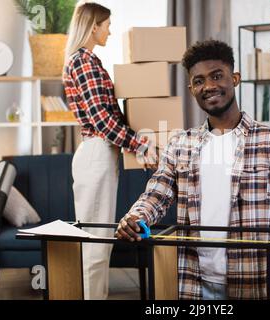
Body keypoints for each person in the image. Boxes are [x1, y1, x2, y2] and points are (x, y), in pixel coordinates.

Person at [115, 40, 270, 300]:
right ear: (191, 88)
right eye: (199, 81)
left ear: (235, 78)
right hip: (192, 281)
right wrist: (136, 218)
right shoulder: (180, 144)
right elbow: (156, 196)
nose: (209, 86)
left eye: (217, 76)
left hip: (251, 280)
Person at [63, 2, 155, 300]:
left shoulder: (86, 61)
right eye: (106, 25)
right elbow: (102, 119)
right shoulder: (84, 62)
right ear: (93, 26)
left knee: (99, 242)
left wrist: (133, 147)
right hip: (96, 153)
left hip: (100, 153)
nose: (110, 31)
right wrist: (139, 144)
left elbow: (107, 117)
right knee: (95, 243)